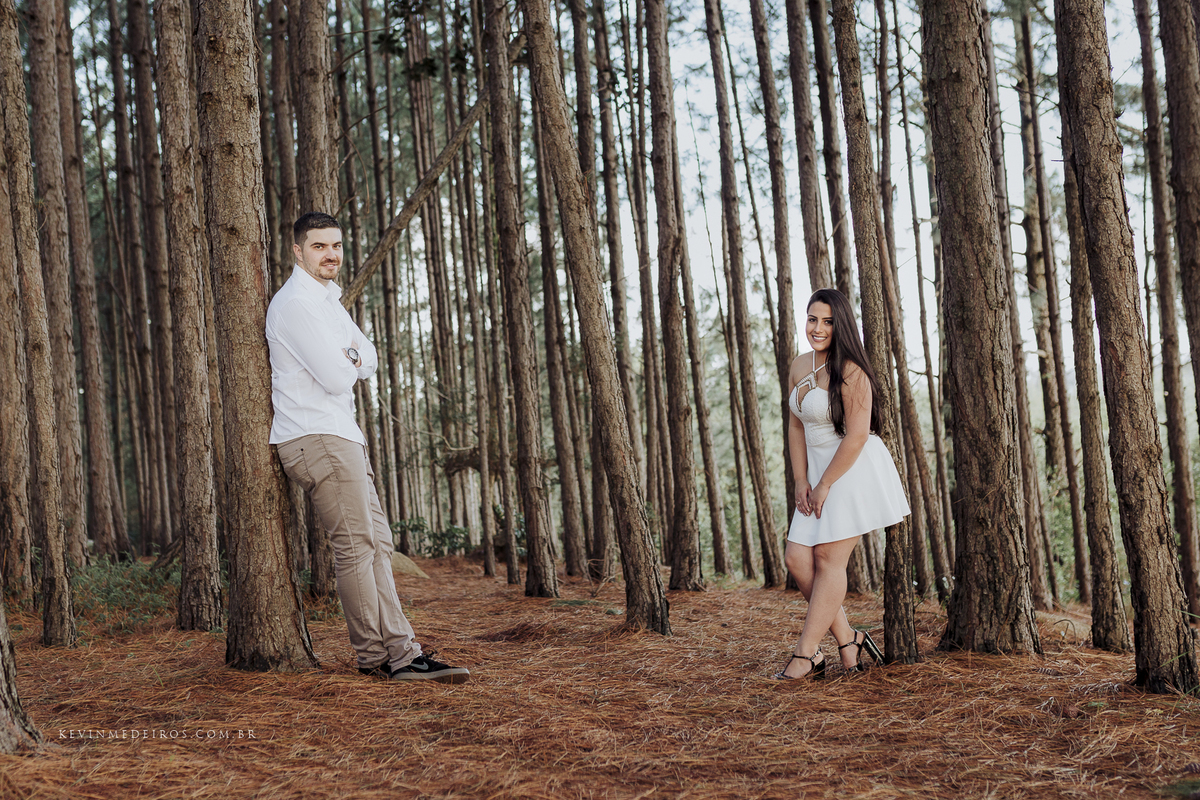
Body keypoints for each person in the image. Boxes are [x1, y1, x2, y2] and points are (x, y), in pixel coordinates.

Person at [267, 211, 470, 684]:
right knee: (357, 548)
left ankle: (395, 653)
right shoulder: (297, 303)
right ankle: (387, 657)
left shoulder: (327, 302)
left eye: (335, 245)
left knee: (377, 544)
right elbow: (342, 373)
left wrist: (351, 357)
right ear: (297, 251)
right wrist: (350, 359)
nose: (331, 254)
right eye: (319, 246)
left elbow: (368, 358)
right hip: (318, 438)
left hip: (340, 436)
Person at [777, 288, 910, 680]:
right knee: (797, 559)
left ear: (842, 325)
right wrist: (802, 478)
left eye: (828, 322)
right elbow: (795, 423)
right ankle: (849, 639)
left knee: (827, 559)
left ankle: (806, 653)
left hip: (851, 469)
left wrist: (825, 484)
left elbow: (855, 436)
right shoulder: (800, 365)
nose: (817, 328)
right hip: (815, 470)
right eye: (812, 319)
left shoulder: (852, 370)